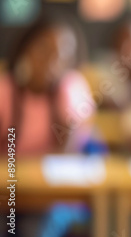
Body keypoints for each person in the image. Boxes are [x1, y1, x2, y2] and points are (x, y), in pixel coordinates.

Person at [0, 13, 96, 157]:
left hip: (52, 177)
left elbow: (69, 152)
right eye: (43, 49)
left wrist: (65, 95)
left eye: (63, 53)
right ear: (24, 48)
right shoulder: (5, 90)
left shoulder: (70, 89)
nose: (52, 61)